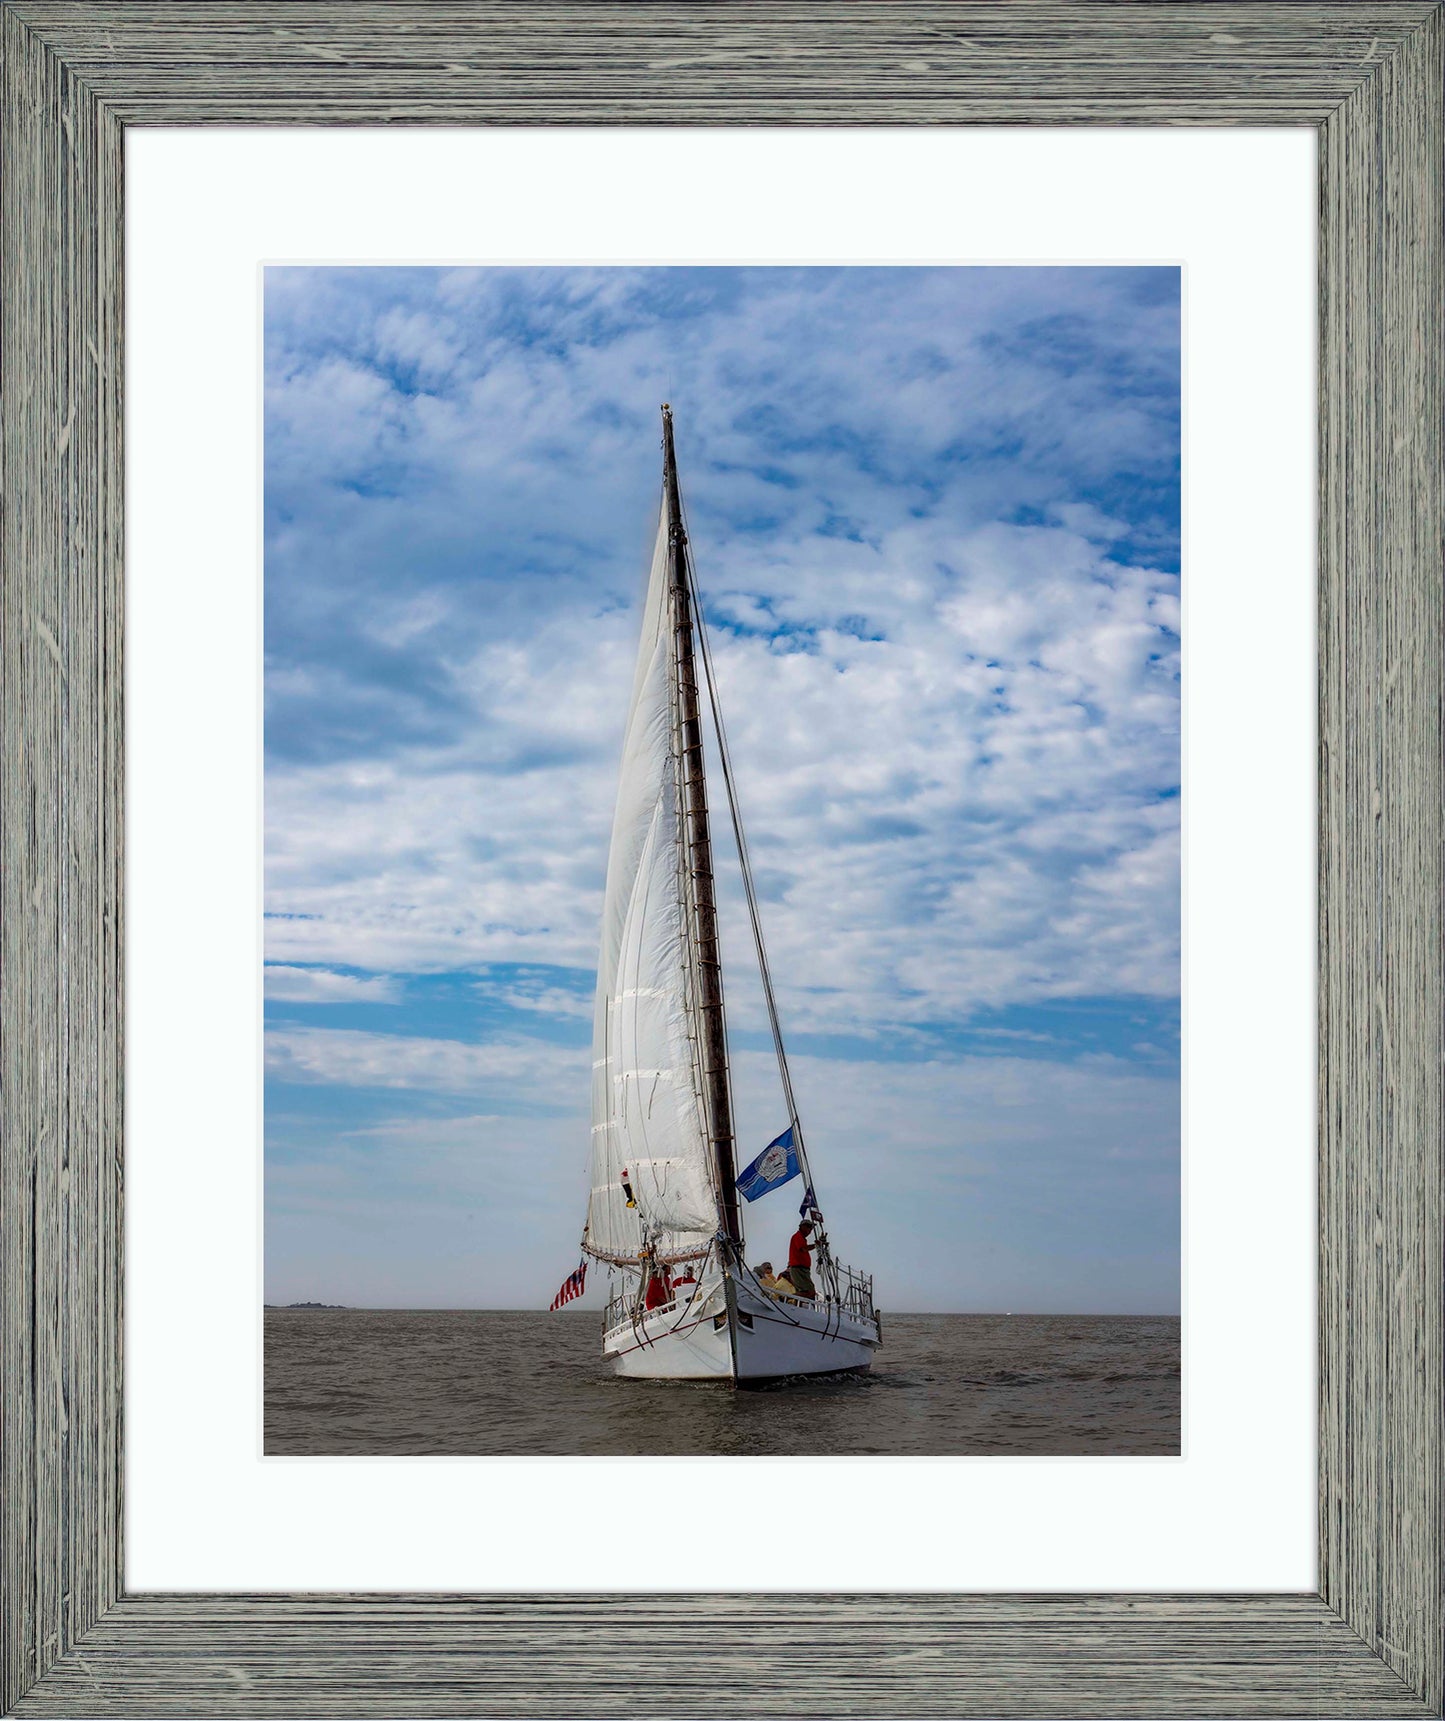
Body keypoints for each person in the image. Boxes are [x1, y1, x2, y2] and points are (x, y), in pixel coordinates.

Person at [780, 1220, 817, 1299]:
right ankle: (785, 1299)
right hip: (798, 1269)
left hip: (802, 1269)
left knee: (809, 1291)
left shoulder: (802, 1238)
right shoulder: (798, 1236)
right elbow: (803, 1249)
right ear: (802, 1227)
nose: (810, 1230)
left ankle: (791, 1301)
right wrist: (816, 1245)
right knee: (807, 1292)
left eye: (811, 1228)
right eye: (809, 1227)